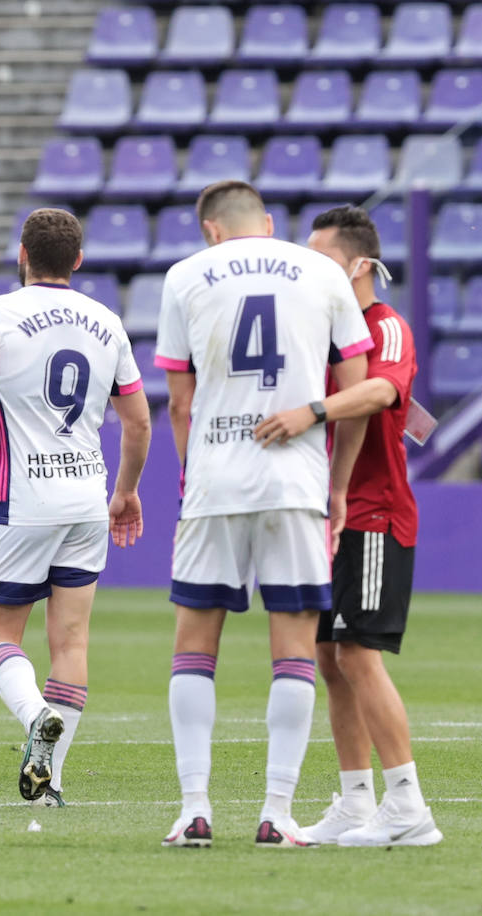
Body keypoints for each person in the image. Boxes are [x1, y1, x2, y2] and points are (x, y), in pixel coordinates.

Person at [154, 181, 373, 849]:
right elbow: (357, 389)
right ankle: (277, 813)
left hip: (217, 484)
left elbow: (179, 403)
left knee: (194, 647)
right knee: (295, 653)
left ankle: (194, 809)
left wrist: (193, 478)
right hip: (296, 484)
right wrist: (336, 487)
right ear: (269, 223)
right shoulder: (322, 272)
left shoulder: (186, 275)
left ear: (212, 231)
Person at [0, 207, 153, 808]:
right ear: (77, 261)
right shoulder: (107, 321)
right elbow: (137, 422)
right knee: (72, 643)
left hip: (21, 500)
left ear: (22, 255)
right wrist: (126, 492)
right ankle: (49, 784)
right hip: (87, 499)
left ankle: (35, 717)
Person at [254, 205, 442, 847]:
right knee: (331, 659)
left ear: (360, 266)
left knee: (358, 652)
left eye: (324, 257)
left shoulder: (386, 327)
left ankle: (409, 805)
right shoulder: (325, 332)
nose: (311, 269)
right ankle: (357, 800)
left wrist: (310, 411)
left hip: (375, 515)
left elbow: (383, 393)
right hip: (329, 516)